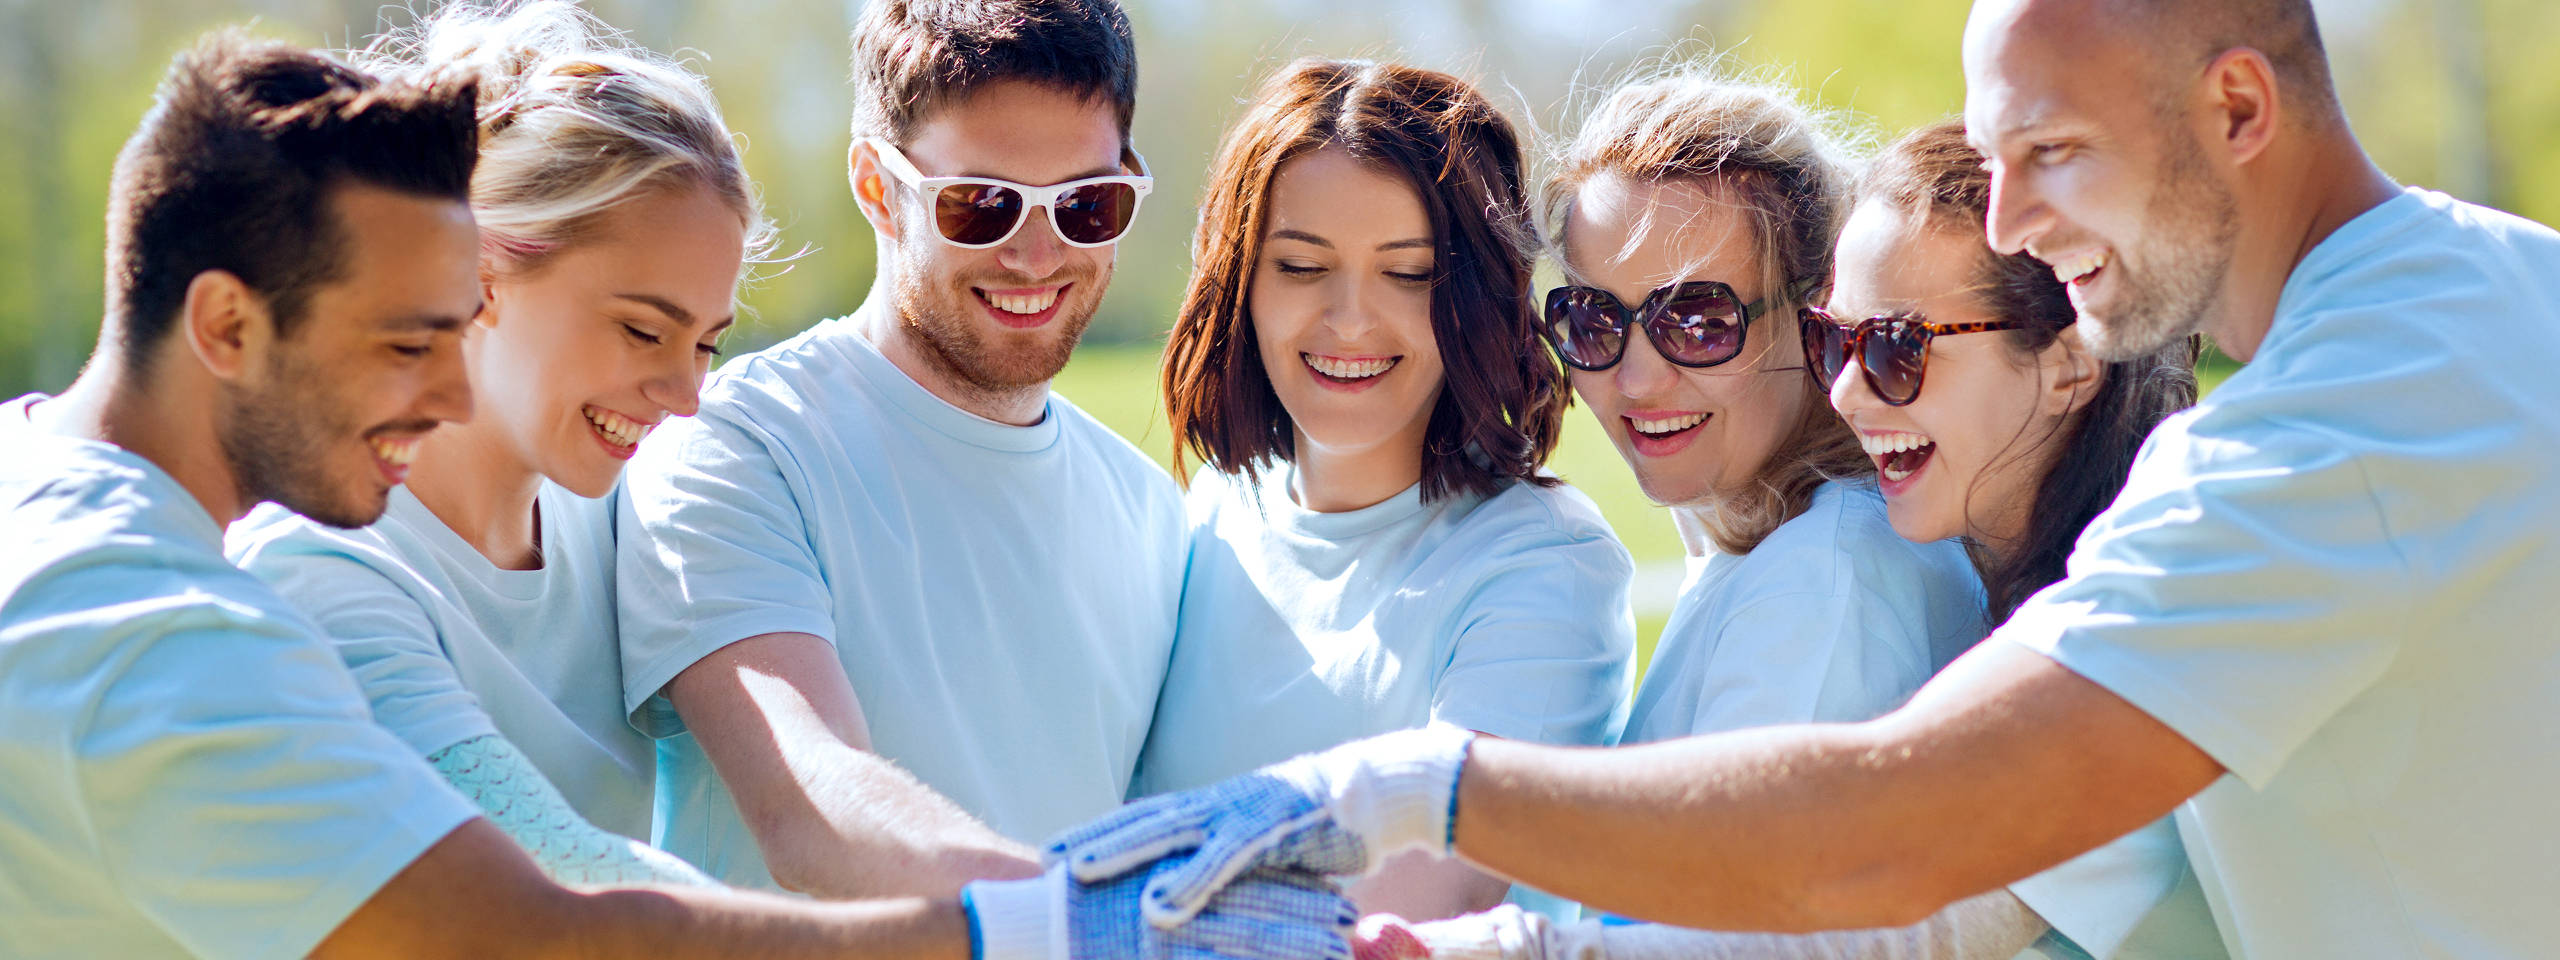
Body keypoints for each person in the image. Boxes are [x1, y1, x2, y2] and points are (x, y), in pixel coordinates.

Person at [1043, 0, 2560, 955]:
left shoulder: (2324, 436)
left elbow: (1893, 838)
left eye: (2053, 150)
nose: (2016, 214)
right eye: (1594, 319)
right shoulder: (2490, 292)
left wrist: (1417, 793)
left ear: (2238, 109)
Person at [0, 31, 1353, 959]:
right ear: (229, 326)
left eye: (703, 341)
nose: (440, 386)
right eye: (409, 340)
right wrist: (1064, 922)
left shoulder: (603, 508)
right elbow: (540, 922)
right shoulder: (188, 608)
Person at [1357, 120, 2222, 960]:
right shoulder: (2001, 586)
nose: (1846, 390)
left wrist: (1435, 821)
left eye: (1896, 347)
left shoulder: (1866, 581)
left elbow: (1863, 923)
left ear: (2070, 364)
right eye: (1836, 341)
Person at [613, 0, 1186, 897]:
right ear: (878, 187)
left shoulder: (1151, 511)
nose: (1038, 256)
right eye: (983, 206)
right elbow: (813, 811)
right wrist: (1087, 924)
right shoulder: (737, 449)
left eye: (1087, 204)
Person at [224, 0, 764, 887]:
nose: (685, 396)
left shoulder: (627, 519)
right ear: (477, 275)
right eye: (641, 331)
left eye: (706, 342)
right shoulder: (322, 571)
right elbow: (564, 883)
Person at [1137, 57, 1635, 922]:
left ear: (1477, 297)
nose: (1350, 320)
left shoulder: (1547, 567)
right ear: (1240, 285)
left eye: (1407, 274)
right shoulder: (1208, 517)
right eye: (1300, 266)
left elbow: (1412, 911)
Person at [1531, 72, 1980, 764]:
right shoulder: (1767, 541)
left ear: (1815, 317)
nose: (1636, 380)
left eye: (1699, 320)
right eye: (1593, 321)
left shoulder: (1821, 585)